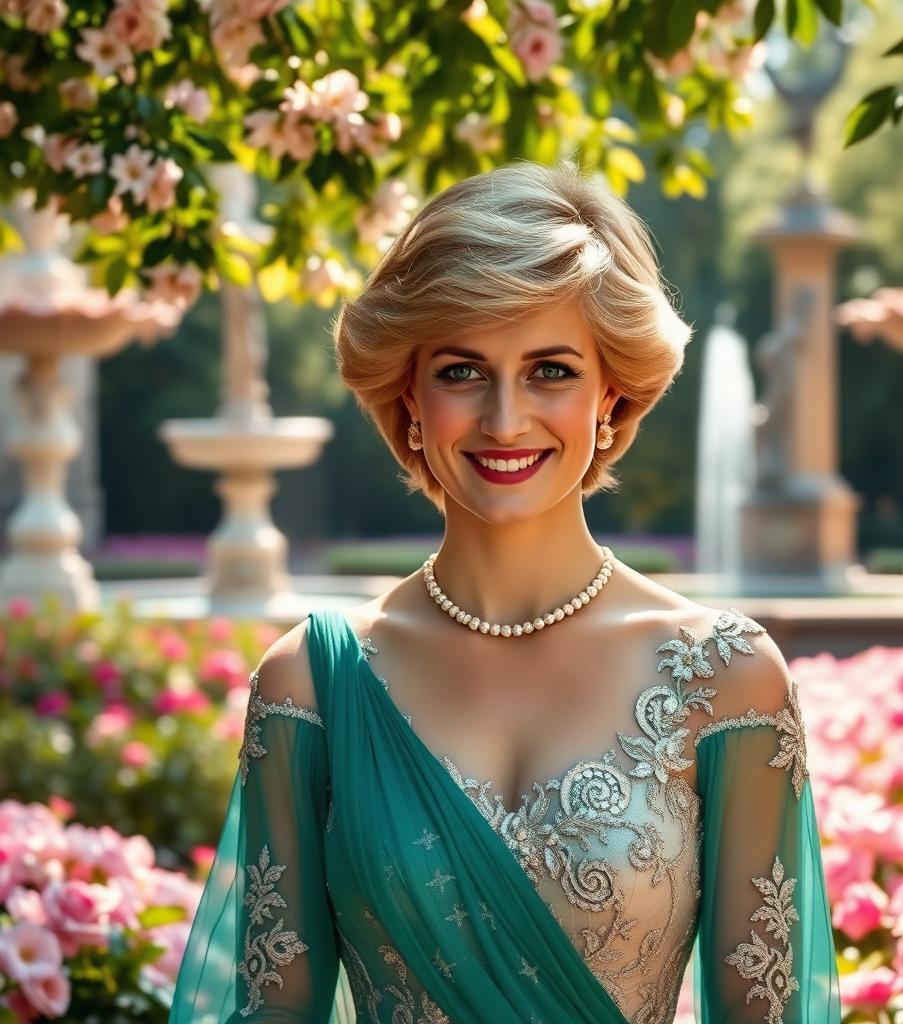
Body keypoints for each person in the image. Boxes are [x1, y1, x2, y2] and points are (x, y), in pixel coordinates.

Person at [169, 159, 842, 1023]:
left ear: (613, 393)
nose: (504, 419)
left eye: (551, 370)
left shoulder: (727, 679)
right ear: (409, 393)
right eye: (461, 371)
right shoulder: (312, 684)